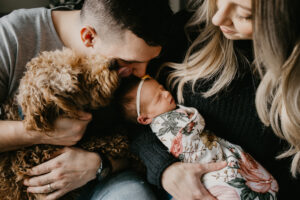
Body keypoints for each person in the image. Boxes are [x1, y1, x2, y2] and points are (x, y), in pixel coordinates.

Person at [127, 0, 300, 199]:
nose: (217, 18)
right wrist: (164, 169)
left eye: (244, 14)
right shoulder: (187, 32)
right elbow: (131, 110)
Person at [0, 0, 173, 199]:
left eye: (148, 62)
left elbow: (140, 141)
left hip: (105, 176)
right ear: (89, 37)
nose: (142, 74)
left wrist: (100, 164)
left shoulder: (134, 49)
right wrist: (40, 133)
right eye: (128, 61)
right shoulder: (13, 36)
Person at [115, 75, 279, 200]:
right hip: (207, 168)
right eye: (158, 98)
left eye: (162, 88)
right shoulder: (167, 124)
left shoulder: (170, 113)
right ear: (145, 119)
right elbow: (195, 147)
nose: (166, 94)